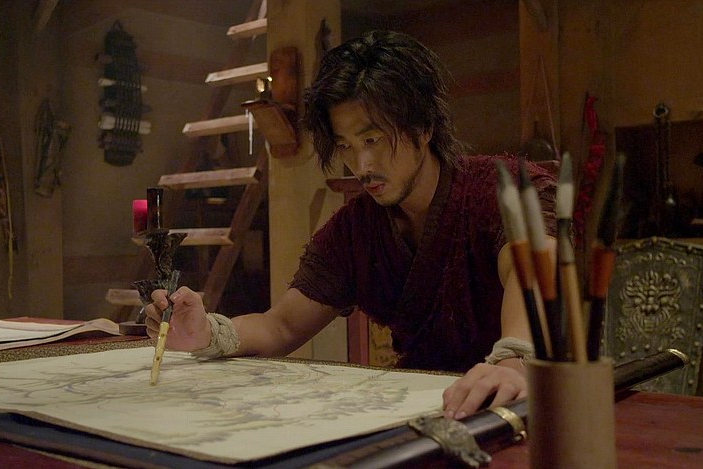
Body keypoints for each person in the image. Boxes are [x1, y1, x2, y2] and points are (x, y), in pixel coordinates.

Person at [145, 30, 556, 419]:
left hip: (532, 403)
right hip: (430, 408)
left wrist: (514, 362)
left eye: (373, 140)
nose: (362, 165)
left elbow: (533, 272)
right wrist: (206, 333)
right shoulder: (356, 229)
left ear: (424, 127)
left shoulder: (506, 189)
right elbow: (280, 326)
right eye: (345, 145)